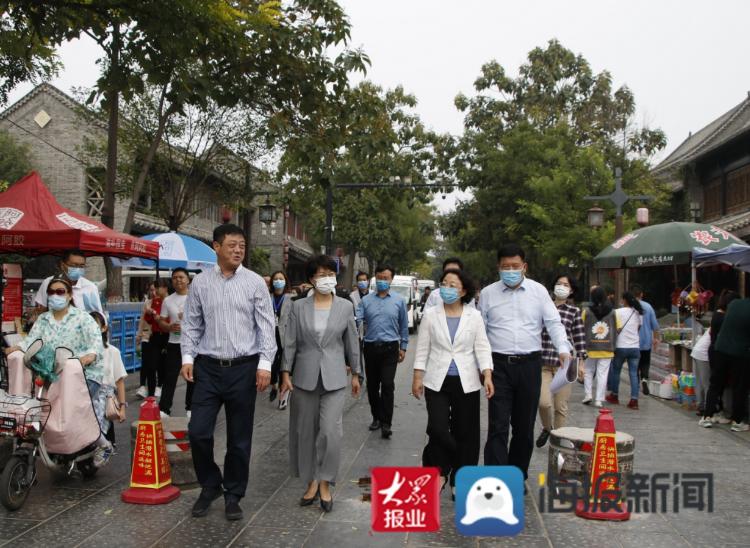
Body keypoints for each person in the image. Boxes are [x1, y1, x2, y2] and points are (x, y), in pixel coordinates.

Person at [180, 224, 276, 521]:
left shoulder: (255, 283)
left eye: (242, 246)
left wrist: (264, 364)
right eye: (232, 245)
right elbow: (192, 324)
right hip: (207, 368)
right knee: (198, 432)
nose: (238, 250)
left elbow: (266, 326)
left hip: (243, 369)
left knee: (239, 438)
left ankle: (234, 493)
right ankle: (210, 484)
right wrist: (187, 356)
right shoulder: (200, 284)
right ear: (217, 247)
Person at [480, 244, 570, 483]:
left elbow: (553, 323)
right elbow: (480, 331)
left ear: (524, 267)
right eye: (505, 267)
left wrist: (563, 349)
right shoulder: (488, 294)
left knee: (524, 426)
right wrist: (483, 367)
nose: (510, 270)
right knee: (498, 424)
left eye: (515, 266)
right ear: (498, 267)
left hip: (530, 365)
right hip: (499, 365)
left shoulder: (538, 292)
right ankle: (497, 477)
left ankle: (516, 475)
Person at [280, 255, 361, 513]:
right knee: (305, 433)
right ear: (311, 279)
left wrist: (357, 373)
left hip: (335, 377)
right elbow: (290, 341)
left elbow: (352, 342)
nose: (326, 278)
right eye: (320, 274)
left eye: (330, 273)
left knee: (329, 432)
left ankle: (325, 481)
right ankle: (311, 481)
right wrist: (285, 371)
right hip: (304, 375)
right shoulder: (298, 306)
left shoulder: (345, 307)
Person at [6, 275, 111, 466]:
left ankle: (104, 445)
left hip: (83, 375)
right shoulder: (43, 320)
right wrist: (17, 348)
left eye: (60, 292)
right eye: (51, 292)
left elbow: (95, 344)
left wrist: (89, 356)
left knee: (72, 413)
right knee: (39, 410)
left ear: (70, 295)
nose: (55, 296)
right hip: (51, 375)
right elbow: (31, 342)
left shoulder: (83, 318)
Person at [412, 268, 493, 499]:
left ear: (463, 290)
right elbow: (423, 347)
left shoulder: (474, 316)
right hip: (436, 379)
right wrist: (418, 376)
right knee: (437, 428)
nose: (447, 289)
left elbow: (482, 347)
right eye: (444, 284)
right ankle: (439, 470)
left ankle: (460, 477)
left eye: (453, 285)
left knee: (465, 430)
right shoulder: (431, 314)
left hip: (466, 380)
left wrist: (487, 374)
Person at [356, 264, 409, 439]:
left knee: (387, 385)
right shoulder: (365, 301)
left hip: (390, 348)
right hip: (370, 348)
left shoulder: (399, 301)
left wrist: (403, 347)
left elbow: (403, 326)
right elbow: (357, 321)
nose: (382, 281)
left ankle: (386, 423)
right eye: (379, 278)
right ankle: (376, 417)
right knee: (372, 386)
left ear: (391, 279)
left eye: (385, 278)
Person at [536, 274, 586, 448]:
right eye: (558, 283)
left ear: (571, 290)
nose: (561, 287)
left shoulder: (574, 312)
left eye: (566, 284)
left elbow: (579, 339)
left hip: (565, 366)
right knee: (543, 402)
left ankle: (557, 440)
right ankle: (547, 427)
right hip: (543, 363)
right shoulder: (542, 308)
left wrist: (581, 364)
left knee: (560, 406)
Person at [699, 290, 739, 427]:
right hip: (721, 354)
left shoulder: (717, 315)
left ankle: (709, 415)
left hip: (715, 352)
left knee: (715, 385)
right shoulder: (725, 317)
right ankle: (718, 413)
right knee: (719, 384)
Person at [90, 311, 128, 446]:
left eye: (95, 325)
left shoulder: (112, 352)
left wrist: (122, 408)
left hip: (104, 402)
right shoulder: (80, 351)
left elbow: (119, 381)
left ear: (104, 328)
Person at [713, 296, 750, 432]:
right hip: (740, 352)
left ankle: (709, 415)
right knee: (740, 387)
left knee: (718, 383)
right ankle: (738, 420)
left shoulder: (734, 304)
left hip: (721, 349)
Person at [157, 268, 191, 418]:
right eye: (175, 278)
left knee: (192, 377)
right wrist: (169, 327)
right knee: (169, 377)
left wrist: (189, 316)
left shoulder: (195, 298)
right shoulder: (168, 300)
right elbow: (162, 323)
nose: (178, 280)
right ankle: (164, 409)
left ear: (188, 280)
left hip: (192, 345)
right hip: (174, 343)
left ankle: (190, 408)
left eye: (181, 277)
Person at [33, 249, 104, 316]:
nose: (78, 269)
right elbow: (40, 310)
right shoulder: (49, 283)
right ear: (62, 265)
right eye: (74, 265)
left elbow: (98, 315)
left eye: (81, 266)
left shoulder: (90, 288)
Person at [606, 292, 643, 409]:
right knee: (633, 373)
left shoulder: (617, 312)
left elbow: (612, 328)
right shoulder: (638, 313)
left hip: (621, 346)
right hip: (635, 347)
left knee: (616, 371)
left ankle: (614, 395)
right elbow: (638, 328)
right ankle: (634, 400)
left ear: (624, 300)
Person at [581, 287, 616, 408]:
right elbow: (618, 327)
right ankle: (599, 400)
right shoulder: (612, 312)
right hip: (607, 347)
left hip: (590, 347)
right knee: (602, 374)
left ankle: (588, 395)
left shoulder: (586, 311)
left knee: (588, 371)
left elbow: (581, 327)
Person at [136, 280, 168, 399]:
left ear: (164, 289)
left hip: (165, 336)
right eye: (152, 290)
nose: (154, 292)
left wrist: (157, 317)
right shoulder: (149, 303)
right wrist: (139, 334)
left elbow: (167, 320)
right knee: (148, 364)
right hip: (150, 335)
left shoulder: (168, 301)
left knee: (162, 364)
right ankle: (147, 390)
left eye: (157, 289)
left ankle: (160, 386)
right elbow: (145, 320)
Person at [269, 270, 293, 406]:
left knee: (284, 363)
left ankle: (283, 397)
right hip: (271, 334)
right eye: (276, 278)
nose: (278, 281)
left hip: (285, 335)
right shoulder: (268, 296)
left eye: (281, 278)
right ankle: (274, 384)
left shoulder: (291, 298)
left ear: (285, 281)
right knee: (273, 362)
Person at [631, 285, 660, 395]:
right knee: (645, 361)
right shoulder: (648, 306)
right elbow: (655, 326)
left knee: (635, 364)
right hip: (646, 340)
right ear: (641, 294)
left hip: (633, 341)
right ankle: (644, 378)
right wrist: (656, 339)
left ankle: (636, 384)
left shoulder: (630, 307)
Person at [691, 327, 711, 416]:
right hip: (703, 354)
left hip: (697, 352)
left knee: (699, 381)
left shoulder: (714, 324)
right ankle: (707, 408)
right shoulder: (721, 323)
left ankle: (700, 406)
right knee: (706, 383)